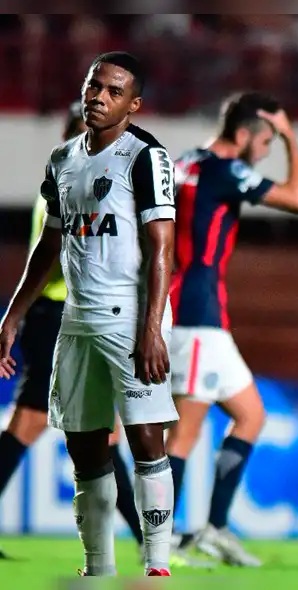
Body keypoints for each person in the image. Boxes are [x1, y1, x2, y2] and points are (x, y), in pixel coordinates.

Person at [0, 51, 179, 577]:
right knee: (84, 447)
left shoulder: (146, 157)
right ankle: (98, 566)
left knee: (147, 439)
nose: (99, 96)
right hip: (75, 319)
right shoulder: (62, 160)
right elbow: (48, 245)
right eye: (94, 85)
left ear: (133, 104)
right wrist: (13, 316)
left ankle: (156, 564)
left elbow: (162, 246)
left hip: (131, 317)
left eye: (113, 91)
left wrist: (152, 329)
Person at [166, 92, 298, 567]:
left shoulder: (185, 162)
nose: (267, 149)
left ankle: (214, 527)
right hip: (195, 316)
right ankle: (161, 537)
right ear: (245, 134)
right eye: (267, 139)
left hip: (196, 312)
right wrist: (291, 137)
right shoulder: (226, 170)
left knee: (250, 414)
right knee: (184, 433)